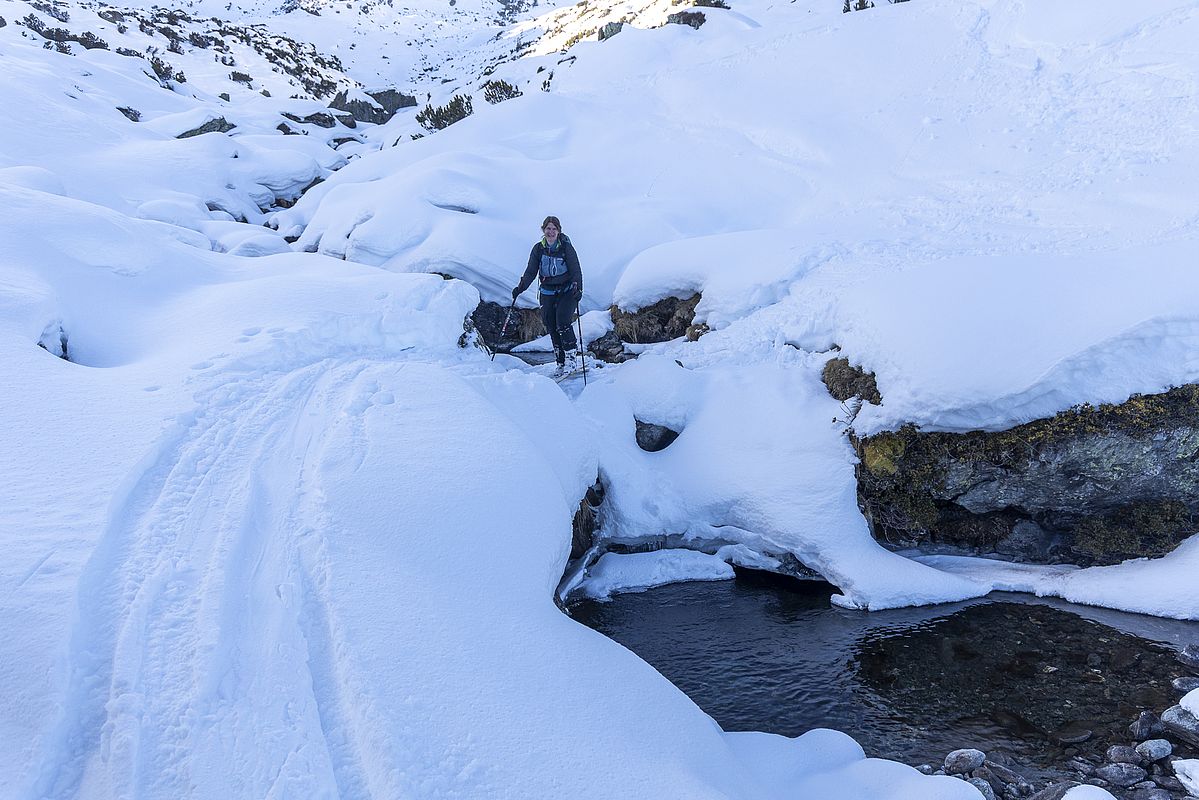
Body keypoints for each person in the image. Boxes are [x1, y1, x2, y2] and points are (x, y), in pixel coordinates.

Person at [511, 215, 584, 375]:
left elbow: (575, 269)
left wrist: (578, 289)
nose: (551, 232)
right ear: (543, 230)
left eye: (554, 229)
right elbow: (531, 271)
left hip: (567, 291)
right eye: (548, 228)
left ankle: (572, 361)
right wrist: (520, 288)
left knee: (563, 322)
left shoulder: (566, 248)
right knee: (550, 325)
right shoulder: (538, 249)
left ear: (559, 231)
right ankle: (560, 362)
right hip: (547, 291)